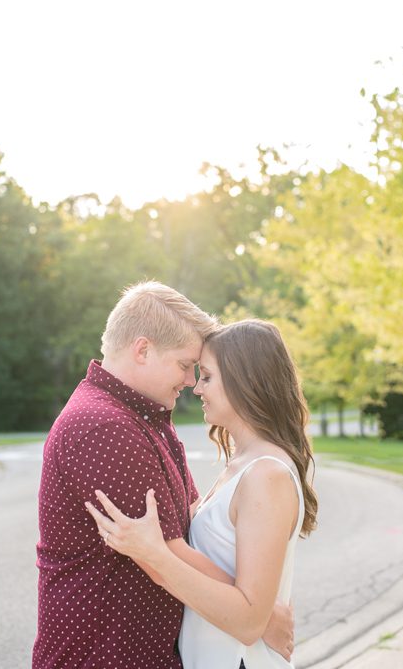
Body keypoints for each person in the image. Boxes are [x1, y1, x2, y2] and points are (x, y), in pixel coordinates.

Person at [33, 283, 294, 669]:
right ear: (143, 350)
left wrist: (253, 611)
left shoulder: (148, 418)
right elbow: (162, 554)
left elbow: (186, 521)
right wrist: (261, 616)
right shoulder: (103, 426)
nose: (191, 381)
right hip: (103, 656)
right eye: (185, 365)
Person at [86, 319, 318, 669]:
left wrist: (155, 555)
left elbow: (248, 621)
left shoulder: (266, 475)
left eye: (207, 376)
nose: (196, 387)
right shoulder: (242, 463)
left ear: (245, 382)